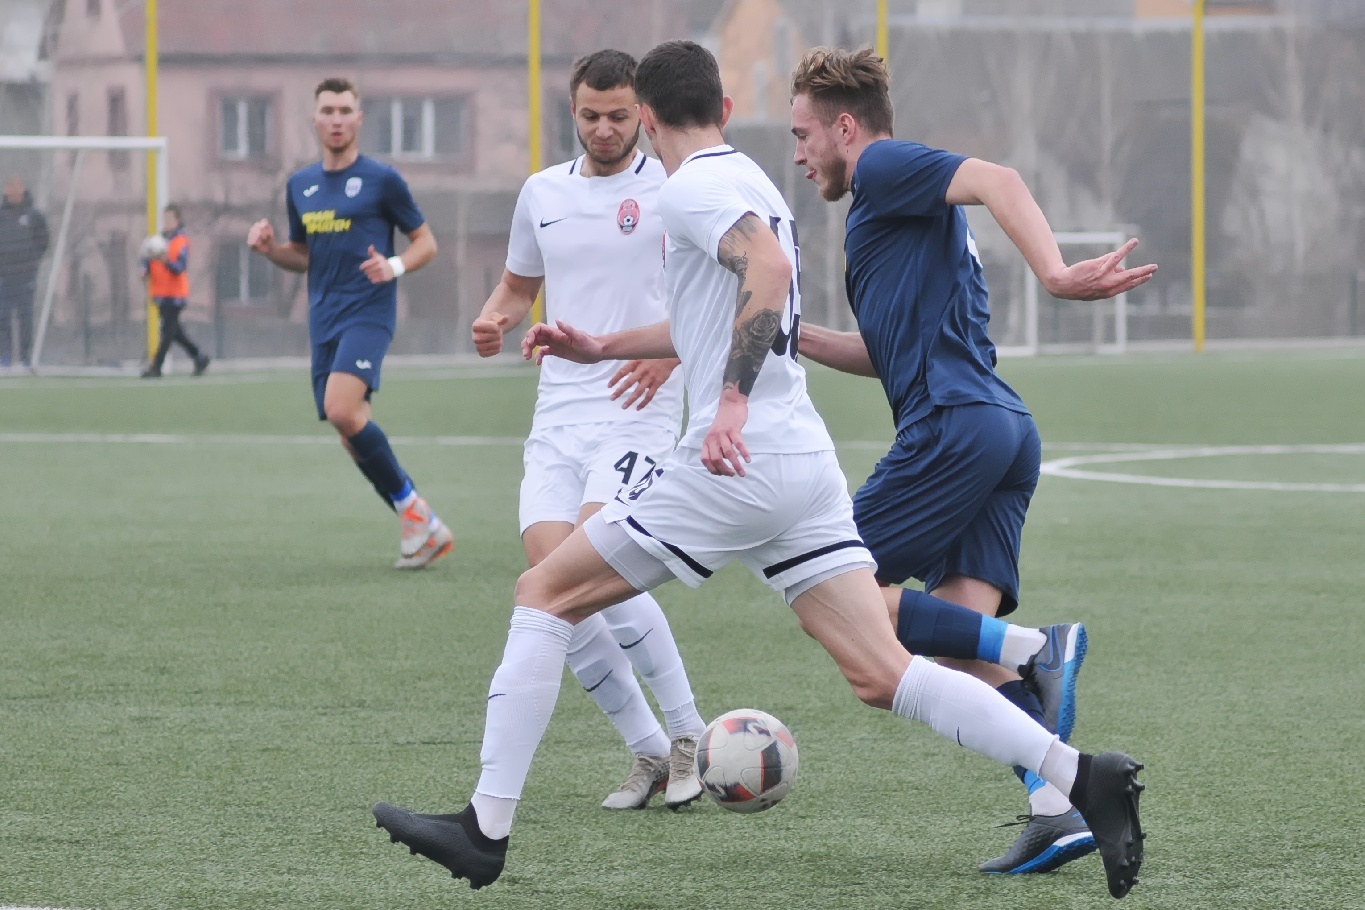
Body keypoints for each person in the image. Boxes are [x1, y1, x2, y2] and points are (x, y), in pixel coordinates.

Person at [371, 40, 1146, 901]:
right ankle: (1078, 776)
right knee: (880, 672)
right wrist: (600, 345)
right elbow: (718, 311)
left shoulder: (688, 188)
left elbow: (766, 274)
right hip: (799, 464)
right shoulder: (752, 181)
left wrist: (730, 402)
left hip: (733, 465)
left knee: (542, 593)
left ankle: (483, 828)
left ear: (649, 120)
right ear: (726, 111)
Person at [787, 46, 1158, 875]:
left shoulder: (881, 166)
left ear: (845, 128)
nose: (800, 155)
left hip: (952, 427)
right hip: (997, 430)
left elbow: (999, 179)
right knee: (958, 653)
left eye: (803, 135)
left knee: (829, 590)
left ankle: (1036, 647)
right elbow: (884, 352)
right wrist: (788, 332)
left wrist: (1054, 274)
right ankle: (1056, 806)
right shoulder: (896, 215)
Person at [471, 49, 705, 811]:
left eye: (619, 116)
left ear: (643, 113)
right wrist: (495, 317)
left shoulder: (675, 188)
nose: (604, 129)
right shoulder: (542, 192)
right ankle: (647, 748)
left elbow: (720, 288)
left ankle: (688, 733)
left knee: (598, 561)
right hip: (557, 415)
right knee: (553, 589)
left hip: (637, 408)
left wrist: (671, 355)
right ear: (572, 112)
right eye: (591, 116)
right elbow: (518, 285)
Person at [247, 77, 452, 570]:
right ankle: (419, 526)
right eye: (328, 111)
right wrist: (271, 250)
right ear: (315, 119)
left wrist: (394, 266)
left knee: (341, 410)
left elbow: (426, 243)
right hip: (323, 318)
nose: (336, 119)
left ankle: (417, 513)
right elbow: (304, 255)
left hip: (369, 312)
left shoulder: (382, 180)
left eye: (344, 111)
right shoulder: (300, 185)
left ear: (359, 119)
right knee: (349, 430)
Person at [141, 204, 210, 378]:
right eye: (165, 219)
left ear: (178, 220)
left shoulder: (181, 241)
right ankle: (200, 357)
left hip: (175, 294)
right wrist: (144, 269)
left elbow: (180, 267)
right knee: (175, 333)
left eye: (170, 219)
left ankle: (156, 367)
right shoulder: (158, 240)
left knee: (167, 332)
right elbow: (148, 260)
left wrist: (166, 261)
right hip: (160, 293)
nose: (167, 222)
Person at [0, 176, 49, 368]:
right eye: (9, 190)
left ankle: (25, 356)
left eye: (16, 189)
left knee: (25, 317)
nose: (13, 193)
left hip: (25, 276)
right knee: (3, 317)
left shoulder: (34, 215)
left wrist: (31, 261)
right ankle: (4, 356)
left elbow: (43, 241)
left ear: (22, 191)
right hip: (3, 276)